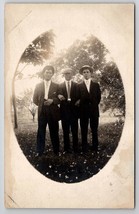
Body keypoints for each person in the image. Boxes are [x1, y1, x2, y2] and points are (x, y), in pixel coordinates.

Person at [33, 65, 60, 156]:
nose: (48, 74)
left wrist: (52, 101)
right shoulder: (38, 85)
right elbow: (35, 99)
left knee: (54, 131)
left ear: (52, 74)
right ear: (44, 73)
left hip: (53, 112)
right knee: (41, 131)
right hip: (42, 112)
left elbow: (60, 99)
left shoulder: (57, 86)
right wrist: (42, 104)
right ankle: (39, 151)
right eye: (47, 72)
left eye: (50, 72)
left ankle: (56, 151)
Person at [77, 65, 101, 153]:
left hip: (94, 110)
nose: (86, 74)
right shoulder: (79, 86)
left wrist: (93, 105)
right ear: (82, 74)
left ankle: (95, 146)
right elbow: (77, 98)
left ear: (90, 73)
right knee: (84, 129)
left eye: (87, 72)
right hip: (83, 111)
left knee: (94, 129)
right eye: (84, 72)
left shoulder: (96, 85)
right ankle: (84, 147)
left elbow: (98, 98)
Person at [58, 68, 79, 153]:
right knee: (65, 131)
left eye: (69, 73)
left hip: (74, 112)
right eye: (66, 74)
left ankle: (75, 148)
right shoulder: (60, 86)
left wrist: (79, 100)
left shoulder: (76, 85)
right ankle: (67, 149)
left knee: (75, 131)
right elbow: (57, 95)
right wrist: (59, 95)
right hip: (64, 112)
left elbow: (79, 96)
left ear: (72, 74)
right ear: (64, 75)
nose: (67, 75)